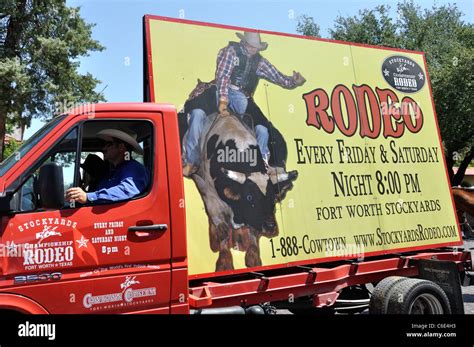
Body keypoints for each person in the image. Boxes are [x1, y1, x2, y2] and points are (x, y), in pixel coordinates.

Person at [182, 31, 306, 176]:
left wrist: (293, 81)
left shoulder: (259, 62)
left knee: (263, 129)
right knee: (197, 114)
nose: (254, 50)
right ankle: (192, 161)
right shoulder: (230, 52)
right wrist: (223, 100)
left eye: (256, 47)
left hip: (242, 97)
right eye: (252, 46)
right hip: (220, 89)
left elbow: (278, 77)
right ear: (244, 43)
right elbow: (223, 77)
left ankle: (262, 166)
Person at [66, 129, 148, 204]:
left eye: (108, 144)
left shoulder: (134, 168)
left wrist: (88, 197)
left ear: (121, 148)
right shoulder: (111, 172)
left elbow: (126, 190)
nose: (104, 148)